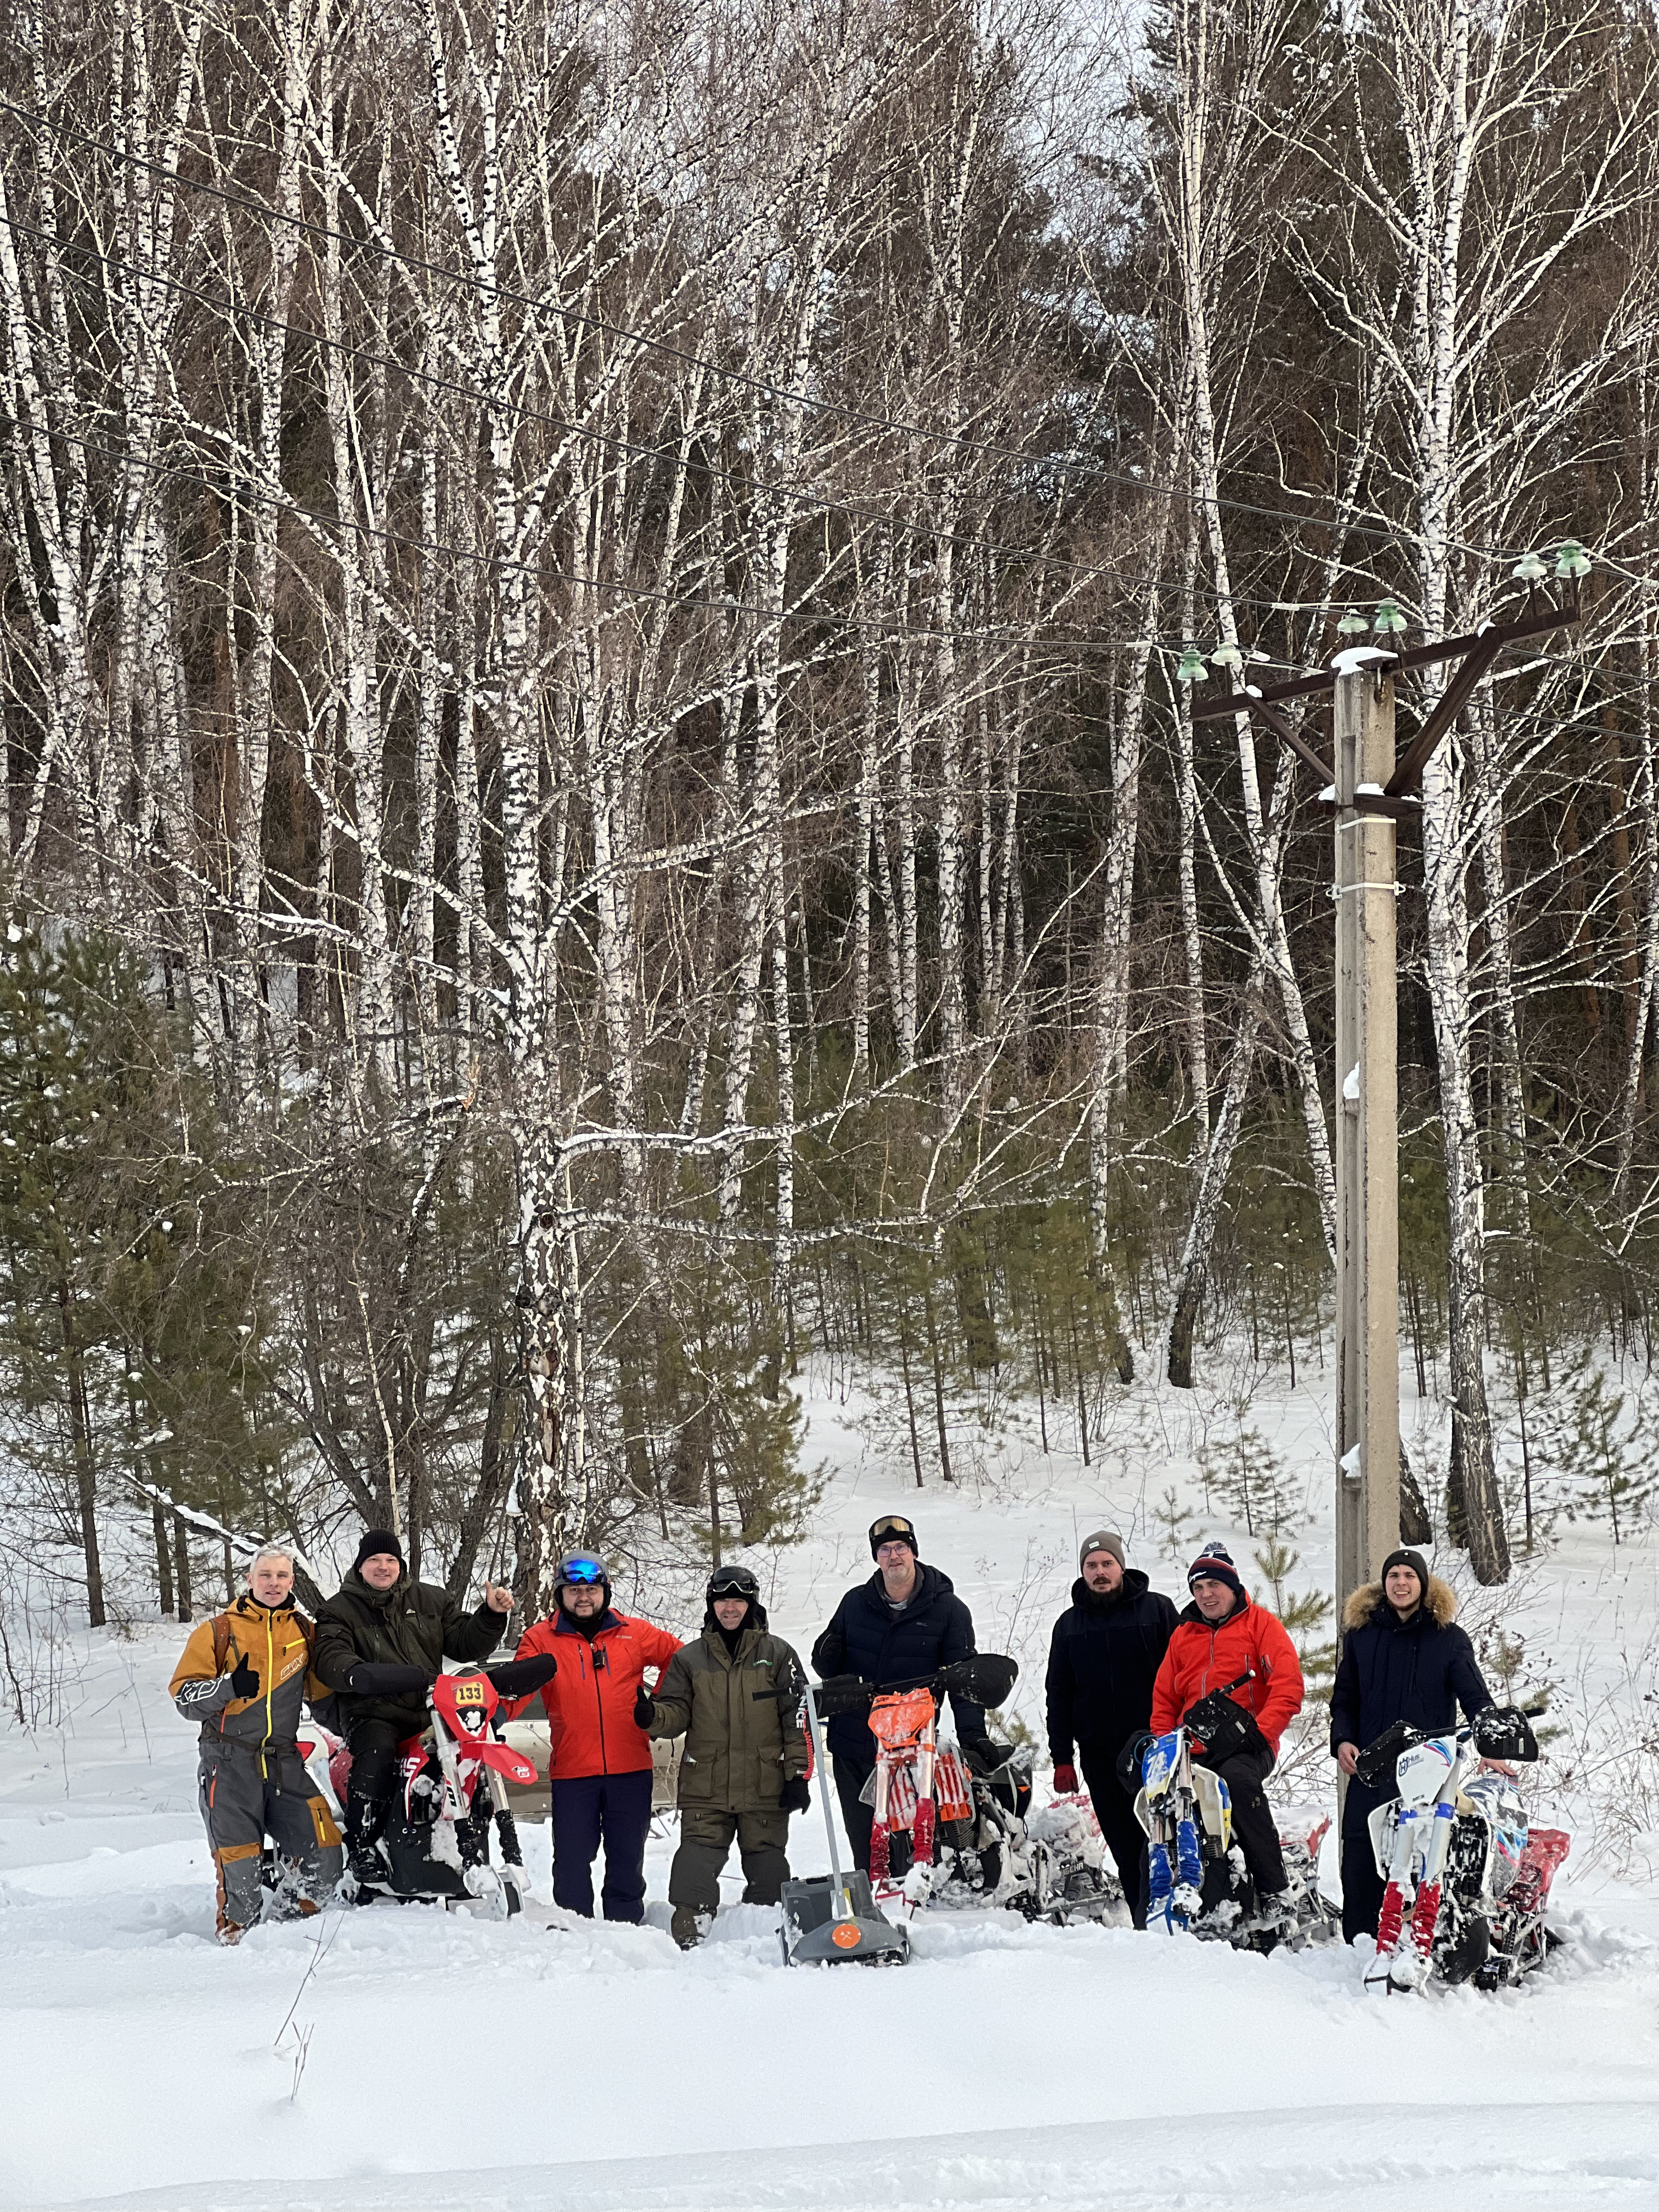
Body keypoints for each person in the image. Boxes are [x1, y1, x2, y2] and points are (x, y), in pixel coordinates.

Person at [313, 1529, 514, 1887]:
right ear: (360, 1567)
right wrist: (359, 1674)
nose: (383, 1566)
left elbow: (465, 1643)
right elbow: (330, 1656)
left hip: (429, 1711)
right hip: (373, 1711)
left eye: (390, 1559)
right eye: (374, 1560)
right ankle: (363, 1846)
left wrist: (492, 1615)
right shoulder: (337, 1610)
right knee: (376, 1755)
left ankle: (467, 1843)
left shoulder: (430, 1599)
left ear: (400, 1564)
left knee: (466, 1757)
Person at [169, 1545, 343, 1943]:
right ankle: (238, 1949)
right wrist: (228, 1688)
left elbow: (322, 1698)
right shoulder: (218, 1632)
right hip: (228, 1763)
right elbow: (185, 1699)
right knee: (242, 1879)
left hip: (283, 1761)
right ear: (250, 1580)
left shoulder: (303, 1632)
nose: (273, 1583)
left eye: (282, 1576)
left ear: (292, 1582)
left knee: (325, 1853)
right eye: (265, 1575)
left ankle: (282, 1938)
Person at [503, 1553, 682, 1922]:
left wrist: (660, 1705)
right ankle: (574, 1928)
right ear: (560, 1595)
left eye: (591, 1589)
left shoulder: (633, 1633)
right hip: (574, 1771)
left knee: (627, 1857)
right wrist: (493, 1717)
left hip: (631, 1768)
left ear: (605, 1592)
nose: (583, 1597)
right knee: (570, 1859)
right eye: (573, 1590)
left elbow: (679, 1659)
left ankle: (626, 1926)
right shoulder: (540, 1638)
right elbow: (517, 1687)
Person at [1329, 1547, 1493, 1944]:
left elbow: (1475, 1697)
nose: (1401, 1583)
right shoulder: (1361, 1637)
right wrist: (1343, 1741)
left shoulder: (1449, 1639)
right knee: (1361, 1855)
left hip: (1429, 1768)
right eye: (1394, 1576)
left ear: (1423, 1584)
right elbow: (1345, 1698)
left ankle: (1425, 1942)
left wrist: (1492, 1741)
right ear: (1383, 1585)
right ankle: (1359, 1943)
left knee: (1426, 1855)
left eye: (1409, 1576)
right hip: (1371, 1763)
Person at [643, 1562, 812, 1949]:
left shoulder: (778, 1654)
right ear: (712, 1606)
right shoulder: (690, 1660)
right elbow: (675, 1714)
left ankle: (766, 1937)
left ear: (751, 1604)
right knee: (695, 1863)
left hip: (765, 1783)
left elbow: (798, 1719)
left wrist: (797, 1774)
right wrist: (653, 1716)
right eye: (722, 1601)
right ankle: (689, 1937)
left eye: (738, 1601)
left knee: (768, 1864)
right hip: (708, 1783)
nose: (730, 1609)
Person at [811, 1513, 990, 1876]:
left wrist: (974, 1736)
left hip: (911, 1750)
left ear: (914, 1552)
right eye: (886, 1550)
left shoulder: (949, 1610)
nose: (894, 1556)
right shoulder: (855, 1603)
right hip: (855, 1745)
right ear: (877, 1557)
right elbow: (830, 1667)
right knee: (866, 1845)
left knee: (911, 1844)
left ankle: (915, 1915)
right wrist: (826, 1655)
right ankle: (871, 1915)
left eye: (901, 1548)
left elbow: (963, 1680)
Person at [1149, 1541, 1304, 1903]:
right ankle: (1170, 1891)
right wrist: (1164, 1747)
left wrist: (1261, 1734)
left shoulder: (1262, 1625)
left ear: (1232, 1588)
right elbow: (1164, 1699)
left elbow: (1288, 1687)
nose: (1206, 1594)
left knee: (1237, 1781)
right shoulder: (1183, 1636)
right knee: (1163, 1801)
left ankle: (1273, 1889)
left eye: (1213, 1585)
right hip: (1192, 1749)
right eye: (1198, 1588)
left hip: (1247, 1746)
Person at [1045, 1529, 1178, 1928]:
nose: (1100, 1572)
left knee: (1159, 1839)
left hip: (1154, 1750)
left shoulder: (1157, 1611)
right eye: (1092, 1566)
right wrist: (1061, 1759)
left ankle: (1171, 1918)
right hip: (1099, 1754)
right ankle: (1143, 1925)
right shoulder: (1069, 1625)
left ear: (1121, 1566)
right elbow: (1059, 1694)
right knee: (1123, 1844)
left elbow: (1183, 1677)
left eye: (1107, 1564)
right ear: (1083, 1571)